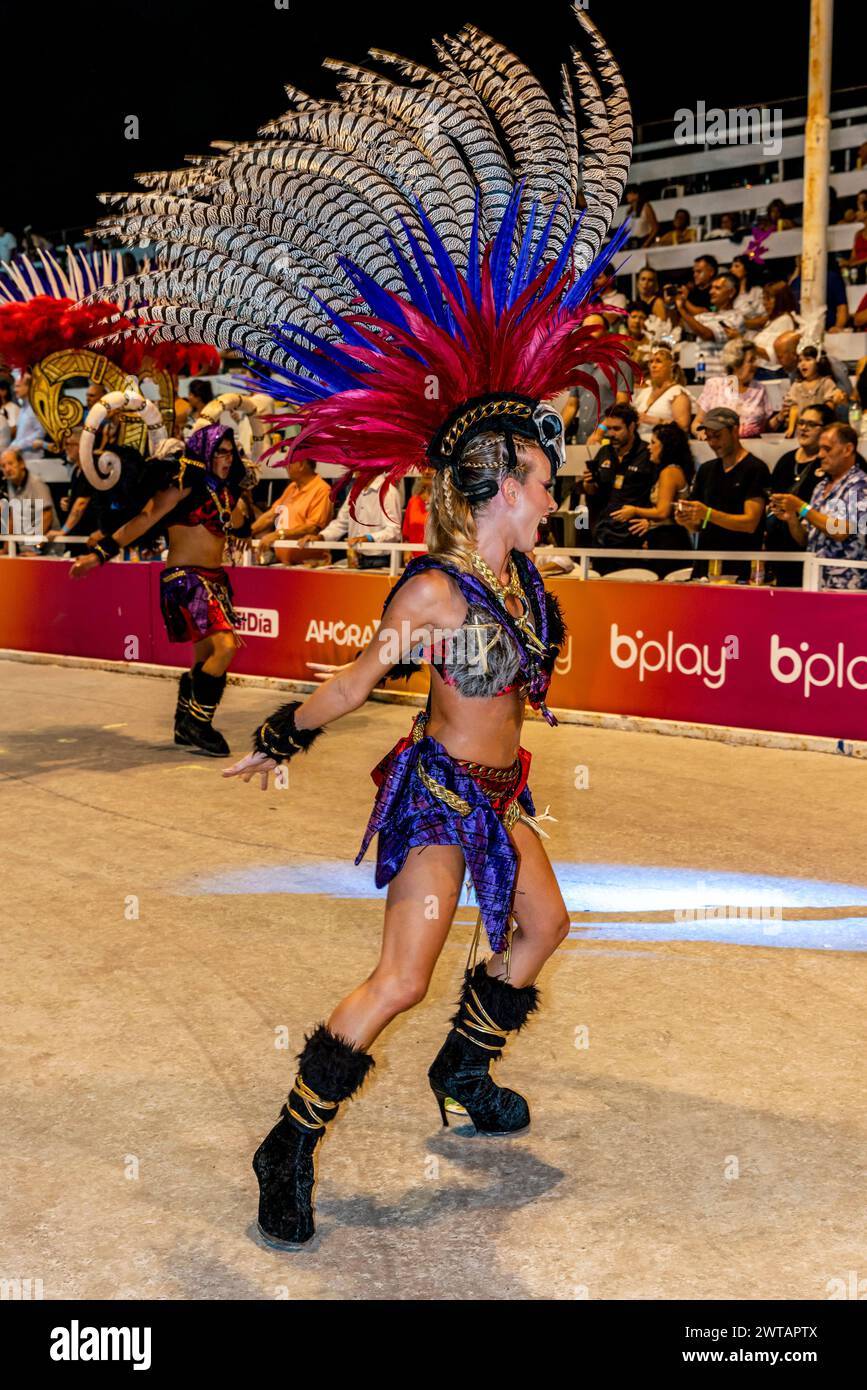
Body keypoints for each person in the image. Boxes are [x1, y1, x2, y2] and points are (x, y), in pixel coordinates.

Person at [98, 6, 637, 1251]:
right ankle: (286, 1144)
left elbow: (586, 398)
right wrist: (281, 734)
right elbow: (351, 688)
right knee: (397, 976)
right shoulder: (436, 594)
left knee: (546, 923)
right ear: (494, 482)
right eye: (540, 475)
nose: (555, 487)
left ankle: (464, 1071)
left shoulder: (521, 570)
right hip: (445, 800)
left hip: (501, 795)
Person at [70, 425, 258, 754]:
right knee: (226, 646)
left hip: (214, 579)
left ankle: (184, 721)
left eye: (231, 452)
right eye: (220, 452)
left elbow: (242, 526)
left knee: (205, 654)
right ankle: (198, 724)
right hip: (187, 579)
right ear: (205, 453)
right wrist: (99, 555)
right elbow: (144, 519)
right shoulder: (185, 483)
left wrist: (245, 493)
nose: (227, 459)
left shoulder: (227, 491)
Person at [769, 423, 867, 589]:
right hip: (814, 581)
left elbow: (842, 530)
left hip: (848, 586)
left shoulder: (860, 485)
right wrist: (792, 518)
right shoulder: (821, 487)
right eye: (820, 448)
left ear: (848, 449)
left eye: (827, 449)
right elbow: (805, 539)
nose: (820, 455)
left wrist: (802, 507)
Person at [677, 406, 770, 578]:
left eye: (718, 436)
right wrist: (686, 520)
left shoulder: (755, 469)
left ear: (735, 430)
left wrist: (708, 513)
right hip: (706, 566)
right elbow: (698, 526)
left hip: (739, 567)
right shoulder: (706, 470)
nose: (712, 443)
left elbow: (750, 523)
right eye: (709, 438)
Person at [764, 403, 833, 585]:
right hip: (779, 555)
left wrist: (799, 508)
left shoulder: (835, 470)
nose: (803, 428)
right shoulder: (785, 460)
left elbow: (842, 531)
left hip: (815, 559)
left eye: (811, 424)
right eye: (801, 422)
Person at [582, 403, 654, 562]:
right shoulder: (604, 452)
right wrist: (588, 483)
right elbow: (592, 491)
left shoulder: (648, 453)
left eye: (617, 429)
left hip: (634, 535)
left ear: (632, 426)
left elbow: (660, 494)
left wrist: (651, 522)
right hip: (603, 533)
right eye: (608, 429)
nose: (611, 434)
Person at [302, 474, 402, 569]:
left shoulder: (388, 492)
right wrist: (321, 537)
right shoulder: (354, 491)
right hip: (355, 558)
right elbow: (341, 523)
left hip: (380, 560)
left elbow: (394, 531)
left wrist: (369, 537)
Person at [251, 456, 333, 564]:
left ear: (301, 465)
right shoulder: (292, 487)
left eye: (289, 462)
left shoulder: (322, 490)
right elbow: (271, 516)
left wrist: (278, 534)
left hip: (310, 565)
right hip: (285, 564)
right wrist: (245, 533)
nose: (285, 466)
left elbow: (312, 528)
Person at [693, 339, 771, 438]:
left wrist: (780, 417)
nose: (755, 365)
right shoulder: (716, 385)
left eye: (756, 360)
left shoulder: (759, 389)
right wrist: (702, 434)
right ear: (736, 364)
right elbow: (697, 422)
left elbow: (766, 428)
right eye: (751, 360)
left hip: (753, 446)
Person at [675, 272, 744, 376]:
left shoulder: (735, 317)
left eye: (717, 288)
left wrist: (681, 308)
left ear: (732, 292)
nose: (711, 291)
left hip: (725, 381)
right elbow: (685, 325)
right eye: (711, 288)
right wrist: (672, 304)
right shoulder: (706, 316)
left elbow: (707, 334)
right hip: (704, 380)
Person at [772, 346, 849, 436]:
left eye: (808, 360)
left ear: (818, 362)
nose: (802, 364)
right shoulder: (797, 385)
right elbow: (794, 408)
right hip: (802, 430)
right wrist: (791, 429)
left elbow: (828, 406)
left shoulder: (826, 383)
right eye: (800, 361)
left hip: (821, 430)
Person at [45, 429, 94, 546]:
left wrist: (63, 531)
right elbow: (77, 502)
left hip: (89, 539)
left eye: (69, 444)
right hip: (77, 538)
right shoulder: (76, 470)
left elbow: (81, 505)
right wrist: (69, 502)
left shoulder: (90, 469)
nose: (66, 448)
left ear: (82, 445)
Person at [1, 447, 54, 553]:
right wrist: (6, 548)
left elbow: (47, 516)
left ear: (22, 464)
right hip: (24, 551)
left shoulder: (36, 483)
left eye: (10, 463)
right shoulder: (10, 484)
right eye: (3, 466)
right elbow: (11, 517)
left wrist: (35, 549)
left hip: (47, 551)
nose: (7, 469)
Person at [631, 346, 691, 437]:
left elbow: (683, 427)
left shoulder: (677, 393)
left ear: (670, 365)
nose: (653, 366)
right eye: (651, 362)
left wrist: (653, 420)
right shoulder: (645, 392)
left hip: (665, 445)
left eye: (658, 361)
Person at [751, 284, 799, 374]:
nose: (765, 303)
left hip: (772, 373)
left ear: (781, 300)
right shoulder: (772, 320)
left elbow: (775, 355)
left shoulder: (785, 320)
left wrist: (748, 346)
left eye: (769, 299)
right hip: (762, 371)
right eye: (764, 299)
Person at [10, 371, 46, 455]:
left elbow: (40, 433)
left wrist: (19, 445)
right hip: (22, 456)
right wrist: (10, 448)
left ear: (28, 387)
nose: (15, 390)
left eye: (18, 386)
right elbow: (20, 436)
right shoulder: (23, 408)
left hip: (33, 458)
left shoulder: (36, 408)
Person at [730, 254, 766, 327]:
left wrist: (743, 323)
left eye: (736, 266)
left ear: (746, 270)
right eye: (731, 266)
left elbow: (764, 318)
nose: (731, 270)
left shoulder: (757, 292)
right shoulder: (729, 292)